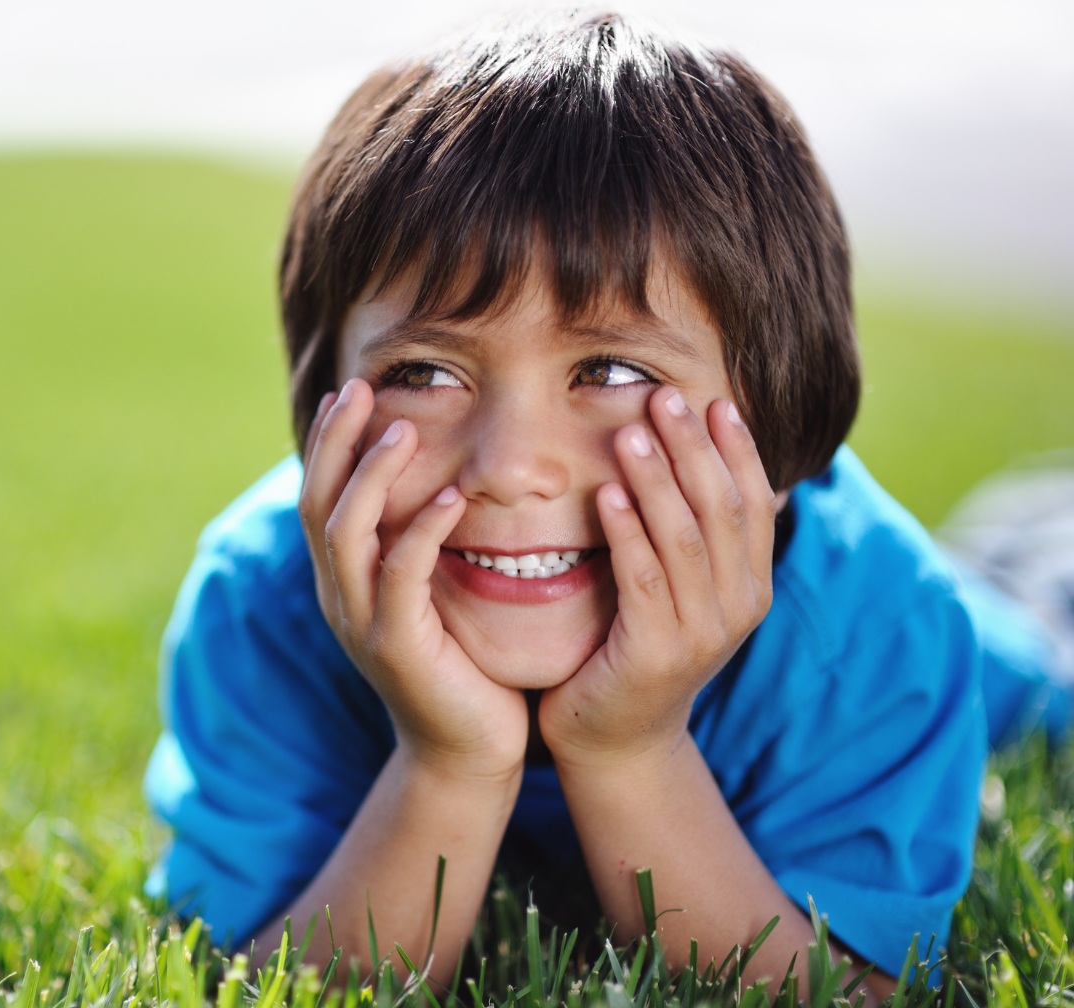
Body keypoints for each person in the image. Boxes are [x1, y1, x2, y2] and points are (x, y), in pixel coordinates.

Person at [142, 10, 1067, 998]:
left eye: (612, 368)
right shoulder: (264, 598)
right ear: (321, 400)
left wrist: (633, 748)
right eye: (422, 371)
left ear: (781, 418)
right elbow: (266, 980)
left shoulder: (879, 621)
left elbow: (844, 989)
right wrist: (447, 760)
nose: (510, 466)